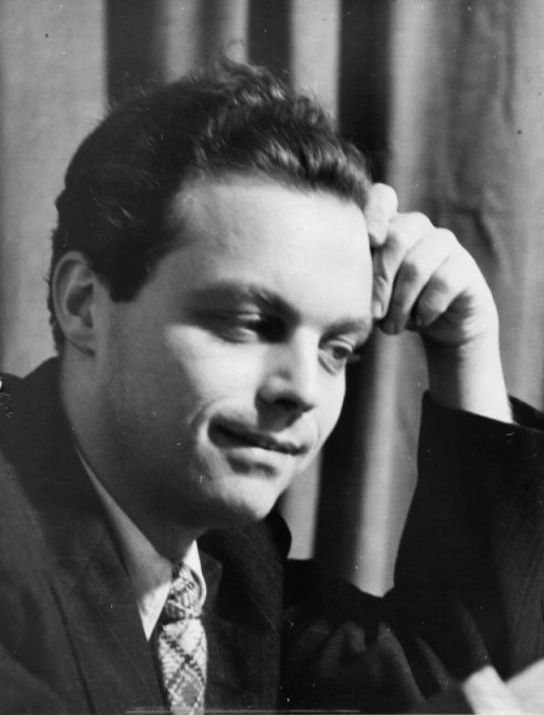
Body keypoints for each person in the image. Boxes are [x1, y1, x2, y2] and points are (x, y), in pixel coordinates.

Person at [1, 60, 543, 714]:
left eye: (339, 349)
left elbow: (458, 678)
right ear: (85, 304)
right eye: (250, 323)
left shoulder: (226, 554)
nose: (304, 389)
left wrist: (465, 349)